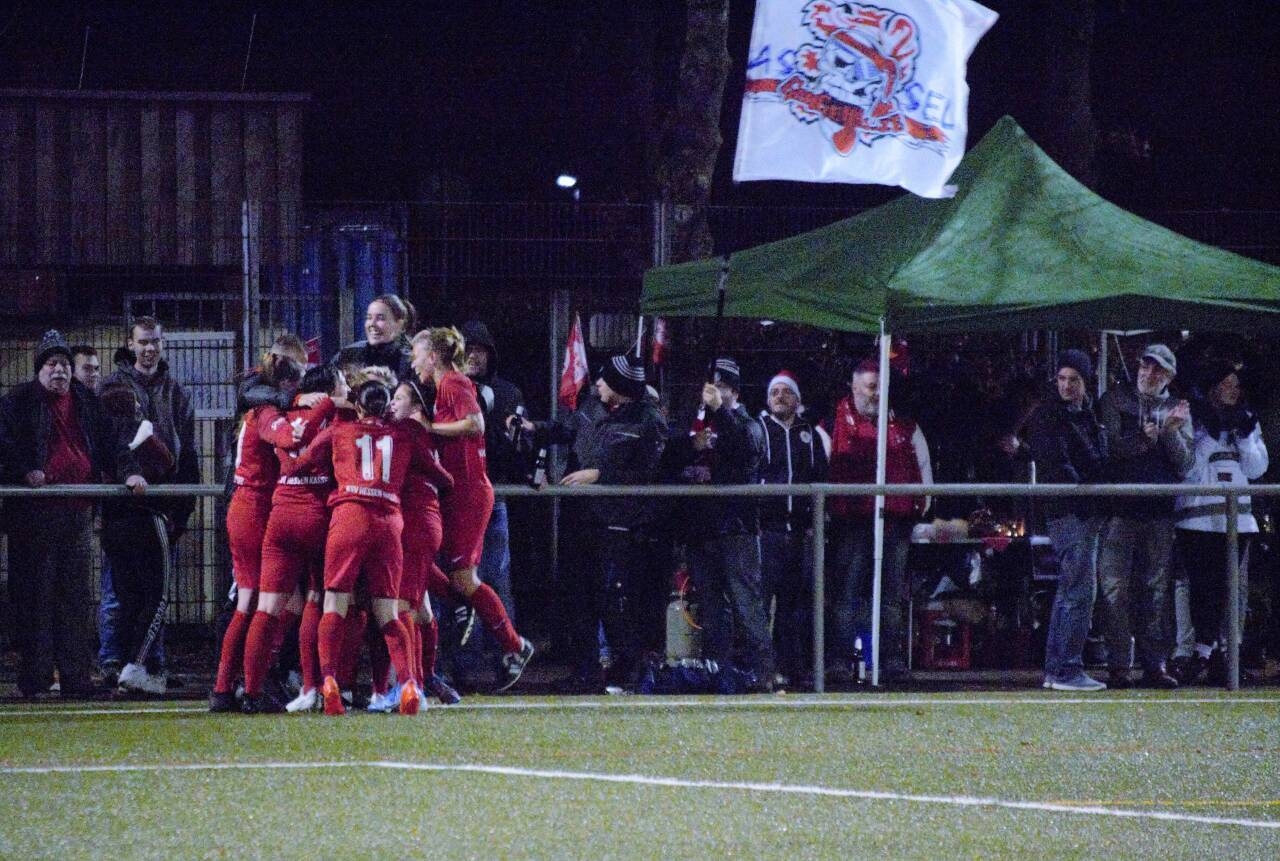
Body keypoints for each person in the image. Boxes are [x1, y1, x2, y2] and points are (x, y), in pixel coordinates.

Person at [283, 374, 453, 716]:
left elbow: (298, 466)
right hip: (389, 521)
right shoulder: (404, 434)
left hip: (349, 516)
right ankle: (408, 683)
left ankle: (329, 683)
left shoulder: (339, 431)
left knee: (334, 603)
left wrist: (287, 453)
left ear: (358, 407)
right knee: (388, 612)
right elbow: (443, 479)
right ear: (386, 406)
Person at [512, 353, 668, 690]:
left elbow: (649, 472)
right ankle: (586, 673)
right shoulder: (592, 406)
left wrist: (600, 475)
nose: (597, 383)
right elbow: (567, 430)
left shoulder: (649, 420)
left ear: (621, 385)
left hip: (619, 525)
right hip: (580, 518)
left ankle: (629, 672)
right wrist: (534, 427)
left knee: (615, 601)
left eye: (604, 378)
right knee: (578, 597)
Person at [0, 331, 125, 698]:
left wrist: (126, 471)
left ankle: (75, 678)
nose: (60, 370)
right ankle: (36, 678)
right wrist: (24, 471)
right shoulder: (18, 402)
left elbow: (109, 442)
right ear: (40, 368)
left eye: (65, 364)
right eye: (52, 363)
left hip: (77, 510)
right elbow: (4, 445)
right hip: (34, 515)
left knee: (75, 597)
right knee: (36, 597)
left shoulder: (86, 402)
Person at [411, 327, 535, 691]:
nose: (413, 363)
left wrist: (430, 428)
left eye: (417, 356)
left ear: (433, 356)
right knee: (440, 570)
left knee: (464, 578)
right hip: (458, 494)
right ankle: (467, 612)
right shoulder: (445, 386)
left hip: (469, 495)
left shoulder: (453, 382)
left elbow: (475, 423)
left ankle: (514, 644)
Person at [99, 316, 200, 695]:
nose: (150, 348)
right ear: (130, 344)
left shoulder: (176, 393)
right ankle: (121, 664)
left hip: (160, 508)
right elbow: (114, 443)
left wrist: (183, 510)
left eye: (155, 341)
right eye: (143, 342)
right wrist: (129, 472)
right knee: (134, 596)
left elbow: (187, 455)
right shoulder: (115, 387)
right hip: (127, 506)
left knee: (139, 595)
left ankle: (141, 665)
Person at [208, 339, 307, 713]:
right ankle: (244, 685)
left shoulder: (258, 401)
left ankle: (234, 683)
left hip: (251, 506)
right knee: (257, 601)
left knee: (273, 601)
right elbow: (284, 436)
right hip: (254, 509)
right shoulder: (264, 410)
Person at [670, 358, 775, 691]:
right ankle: (719, 671)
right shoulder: (695, 421)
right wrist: (691, 446)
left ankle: (763, 671)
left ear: (734, 391)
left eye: (721, 387)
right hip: (701, 528)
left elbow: (747, 451)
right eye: (709, 388)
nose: (712, 393)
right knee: (712, 605)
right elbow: (670, 456)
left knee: (745, 602)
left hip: (736, 527)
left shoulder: (747, 422)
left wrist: (721, 411)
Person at [828, 359, 932, 684]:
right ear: (854, 386)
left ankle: (891, 661)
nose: (876, 394)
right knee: (847, 593)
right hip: (852, 521)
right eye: (871, 387)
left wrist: (920, 509)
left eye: (880, 388)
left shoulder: (905, 427)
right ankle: (840, 661)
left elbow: (924, 470)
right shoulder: (833, 424)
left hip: (894, 522)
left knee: (890, 596)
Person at [1096, 344, 1192, 689]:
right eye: (1146, 366)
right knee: (1114, 588)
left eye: (1158, 370)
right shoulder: (1114, 399)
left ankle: (1155, 663)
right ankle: (1119, 663)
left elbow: (1186, 464)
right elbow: (1106, 449)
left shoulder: (1177, 408)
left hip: (1159, 511)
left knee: (1156, 589)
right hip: (1119, 510)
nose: (1149, 374)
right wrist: (1143, 438)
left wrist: (1169, 432)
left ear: (1169, 376)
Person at [1173, 361, 1269, 684]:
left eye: (1236, 385)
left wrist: (1244, 437)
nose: (1232, 391)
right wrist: (1212, 436)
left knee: (1231, 591)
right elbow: (1188, 467)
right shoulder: (1193, 416)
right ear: (1212, 386)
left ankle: (1223, 654)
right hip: (1197, 519)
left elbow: (1257, 469)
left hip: (1238, 521)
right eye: (1226, 384)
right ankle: (1197, 652)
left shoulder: (1247, 420)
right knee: (1200, 589)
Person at [448, 320, 526, 687]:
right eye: (467, 350)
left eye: (479, 350)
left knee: (493, 579)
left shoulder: (506, 392)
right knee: (455, 583)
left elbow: (512, 442)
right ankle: (460, 667)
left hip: (488, 496)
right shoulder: (444, 388)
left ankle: (507, 657)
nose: (473, 357)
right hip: (451, 499)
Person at [1026, 350, 1109, 691]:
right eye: (1061, 379)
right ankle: (1066, 669)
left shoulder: (1086, 414)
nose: (1066, 386)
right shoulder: (1050, 416)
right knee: (1078, 591)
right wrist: (1087, 491)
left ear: (1085, 382)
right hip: (1070, 511)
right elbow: (1059, 465)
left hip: (1080, 511)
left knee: (1071, 590)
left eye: (1073, 379)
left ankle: (1059, 669)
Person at [387, 379, 462, 706]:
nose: (392, 403)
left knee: (402, 606)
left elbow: (443, 477)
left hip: (414, 523)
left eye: (398, 398)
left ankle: (411, 684)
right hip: (425, 523)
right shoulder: (424, 433)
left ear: (417, 405)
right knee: (421, 606)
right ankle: (427, 676)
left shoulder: (408, 430)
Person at [756, 370, 828, 688]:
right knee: (760, 602)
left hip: (798, 533)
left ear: (797, 399)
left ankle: (792, 667)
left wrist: (814, 522)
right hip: (767, 531)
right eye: (775, 392)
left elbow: (821, 477)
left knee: (793, 603)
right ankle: (761, 668)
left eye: (786, 391)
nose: (780, 397)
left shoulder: (809, 434)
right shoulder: (759, 430)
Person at [329, 294, 416, 382]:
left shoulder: (410, 361)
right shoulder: (349, 355)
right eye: (369, 318)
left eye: (380, 318)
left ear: (400, 325)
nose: (372, 324)